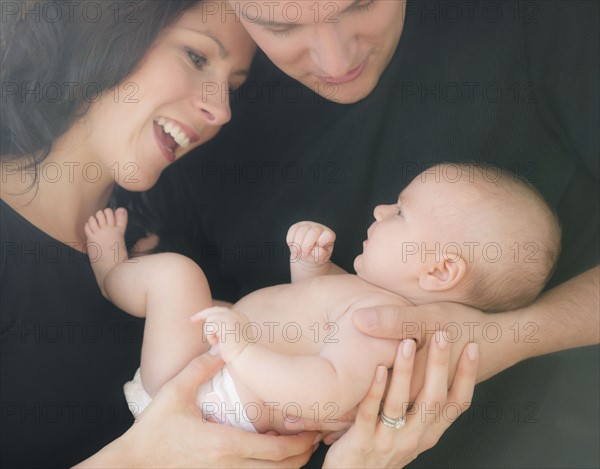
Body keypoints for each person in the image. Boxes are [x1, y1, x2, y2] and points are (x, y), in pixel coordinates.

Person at [144, 0, 599, 467]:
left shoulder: (542, 21)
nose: (335, 61)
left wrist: (502, 338)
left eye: (360, 4)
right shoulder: (212, 100)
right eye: (281, 27)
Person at [0, 1, 329, 467]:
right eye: (196, 58)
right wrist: (145, 456)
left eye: (233, 87)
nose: (219, 111)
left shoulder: (166, 251)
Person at [85, 163, 559, 435]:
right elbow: (310, 318)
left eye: (399, 212)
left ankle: (112, 273)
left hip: (203, 395)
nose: (379, 210)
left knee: (176, 276)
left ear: (438, 270)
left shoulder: (382, 326)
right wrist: (309, 264)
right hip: (214, 380)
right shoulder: (369, 304)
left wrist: (240, 349)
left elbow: (325, 388)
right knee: (204, 297)